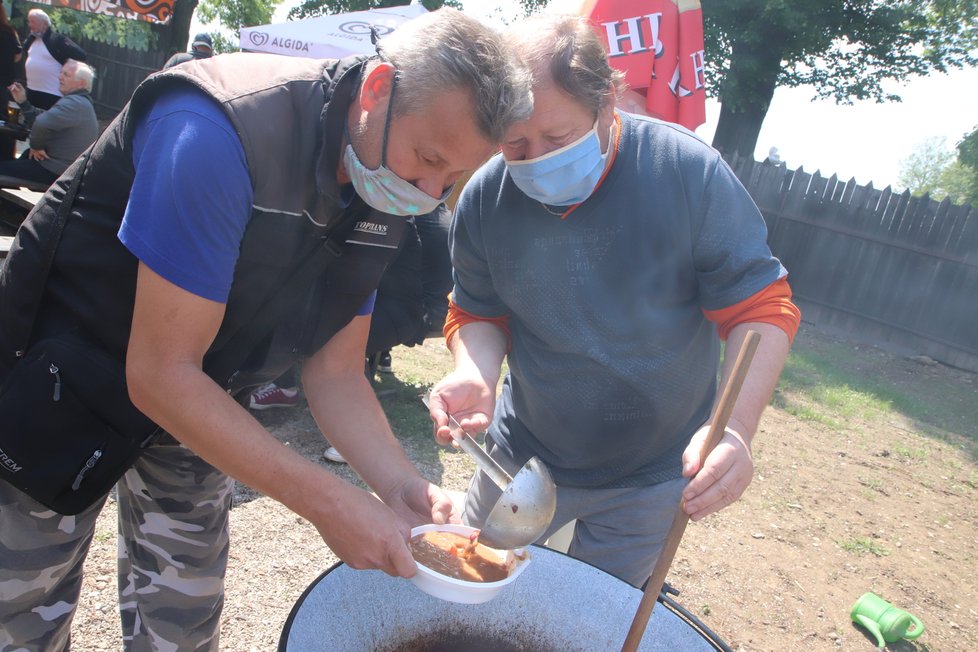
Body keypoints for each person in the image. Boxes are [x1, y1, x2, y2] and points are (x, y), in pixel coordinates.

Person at [0, 8, 532, 650]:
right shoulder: (218, 130)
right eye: (426, 159)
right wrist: (329, 501)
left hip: (201, 394)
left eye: (451, 180)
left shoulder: (382, 178)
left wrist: (400, 486)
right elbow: (159, 372)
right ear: (377, 89)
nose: (426, 192)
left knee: (183, 610)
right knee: (22, 607)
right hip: (61, 376)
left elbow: (335, 369)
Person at [426, 14, 801, 589]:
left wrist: (736, 430)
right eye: (515, 143)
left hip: (649, 472)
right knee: (466, 591)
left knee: (589, 620)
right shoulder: (485, 195)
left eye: (557, 139)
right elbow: (479, 310)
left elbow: (761, 310)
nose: (534, 161)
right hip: (518, 456)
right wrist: (474, 371)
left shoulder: (684, 173)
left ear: (607, 102)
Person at [0, 59, 97, 189]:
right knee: (15, 162)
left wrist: (36, 146)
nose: (60, 77)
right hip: (55, 168)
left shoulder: (74, 104)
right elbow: (43, 118)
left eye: (66, 75)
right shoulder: (79, 103)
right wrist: (23, 102)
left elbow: (41, 123)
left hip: (54, 172)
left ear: (81, 84)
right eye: (61, 73)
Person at [21, 8, 87, 110]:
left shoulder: (56, 39)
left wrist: (67, 68)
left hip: (51, 94)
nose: (29, 25)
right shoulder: (31, 40)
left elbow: (81, 55)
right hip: (31, 91)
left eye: (33, 21)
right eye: (29, 21)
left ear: (44, 24)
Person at [0, 4, 22, 161]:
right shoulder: (10, 32)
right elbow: (17, 56)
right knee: (5, 124)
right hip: (5, 84)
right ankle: (6, 159)